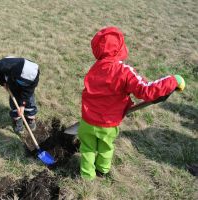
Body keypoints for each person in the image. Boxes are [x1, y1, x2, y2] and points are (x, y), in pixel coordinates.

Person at [78, 26, 185, 180]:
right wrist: (173, 80)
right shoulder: (124, 71)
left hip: (87, 121)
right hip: (107, 124)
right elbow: (146, 90)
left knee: (87, 148)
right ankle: (102, 170)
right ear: (120, 48)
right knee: (105, 148)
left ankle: (87, 176)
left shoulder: (95, 68)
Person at [0, 57, 40, 134]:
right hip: (12, 81)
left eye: (26, 83)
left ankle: (30, 117)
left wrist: (22, 105)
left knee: (29, 99)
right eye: (23, 82)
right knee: (15, 100)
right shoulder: (6, 66)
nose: (23, 84)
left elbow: (28, 91)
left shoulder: (35, 75)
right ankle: (18, 119)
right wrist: (3, 82)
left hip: (21, 82)